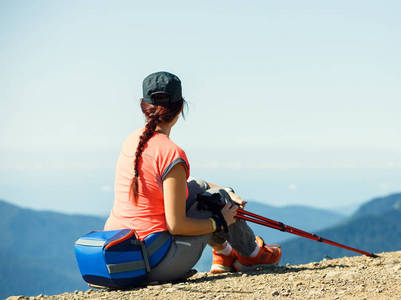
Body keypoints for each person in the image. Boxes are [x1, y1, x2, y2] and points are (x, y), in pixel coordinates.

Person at [104, 71, 281, 283]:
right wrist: (218, 221)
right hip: (154, 263)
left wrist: (220, 189)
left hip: (122, 252)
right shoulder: (171, 153)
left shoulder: (132, 140)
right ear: (180, 108)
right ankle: (252, 256)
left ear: (144, 106)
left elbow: (180, 187)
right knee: (218, 199)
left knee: (205, 189)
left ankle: (224, 254)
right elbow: (176, 225)